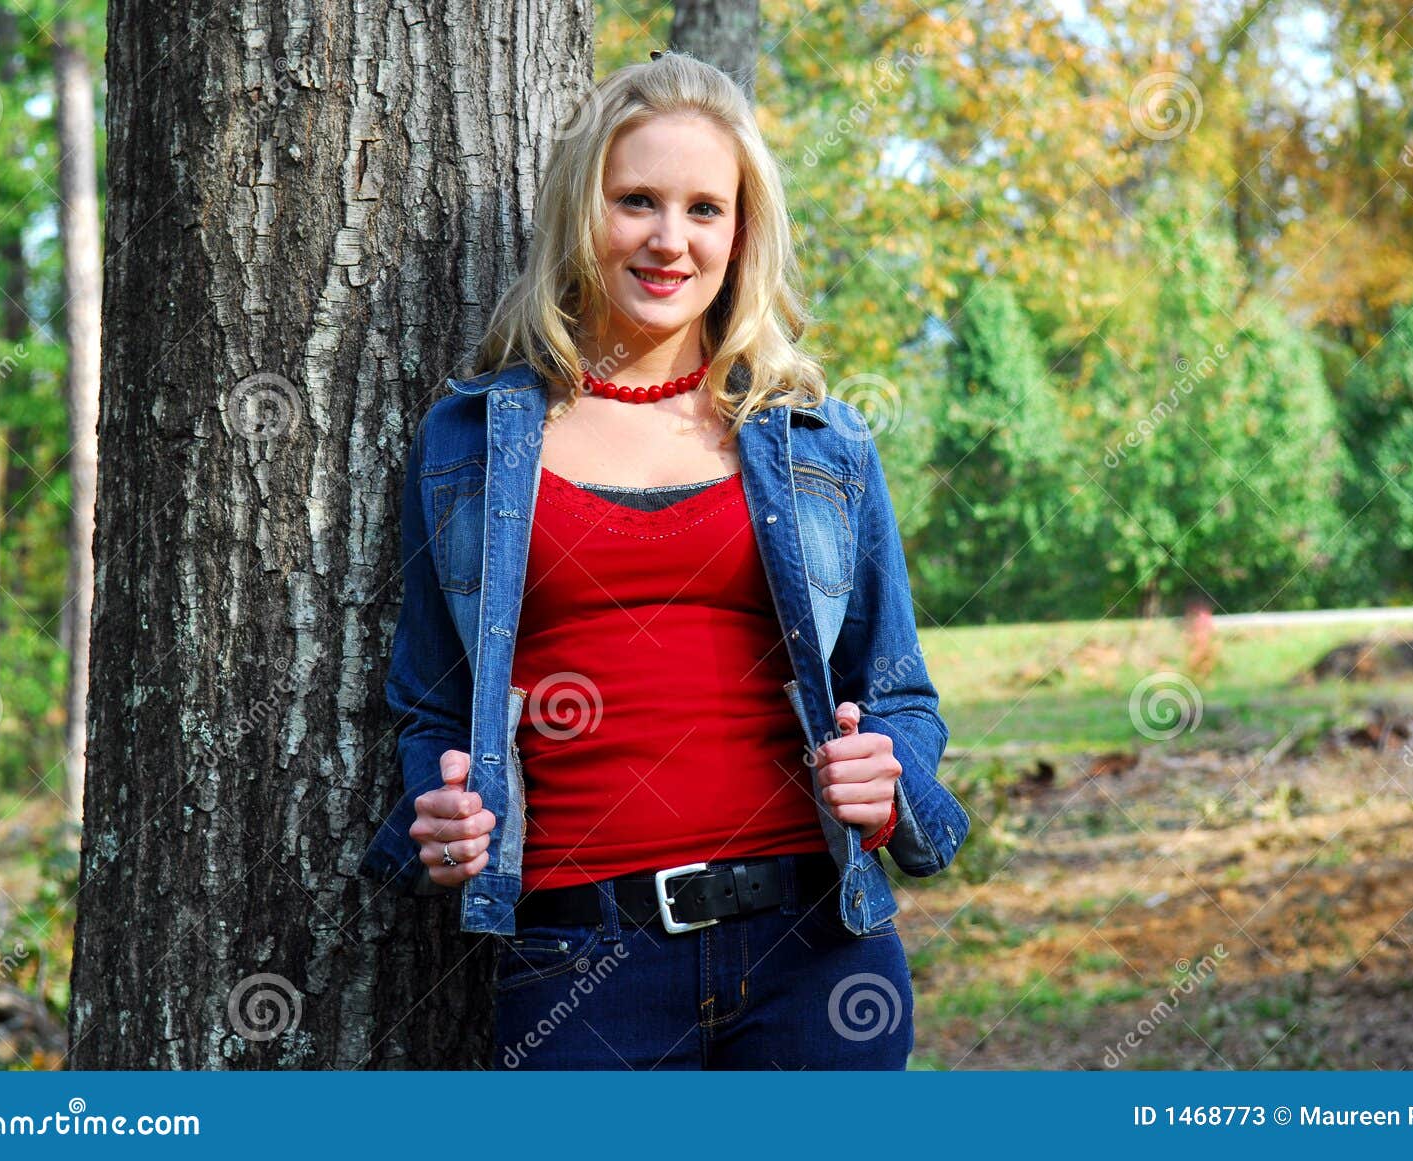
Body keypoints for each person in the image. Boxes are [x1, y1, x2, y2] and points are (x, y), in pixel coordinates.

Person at [358, 49, 970, 1069]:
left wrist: (889, 773)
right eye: (636, 199)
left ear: (742, 233)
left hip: (812, 954)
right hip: (575, 962)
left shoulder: (819, 443)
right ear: (579, 212)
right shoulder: (470, 442)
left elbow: (899, 694)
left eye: (704, 209)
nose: (668, 240)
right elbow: (431, 704)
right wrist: (444, 810)